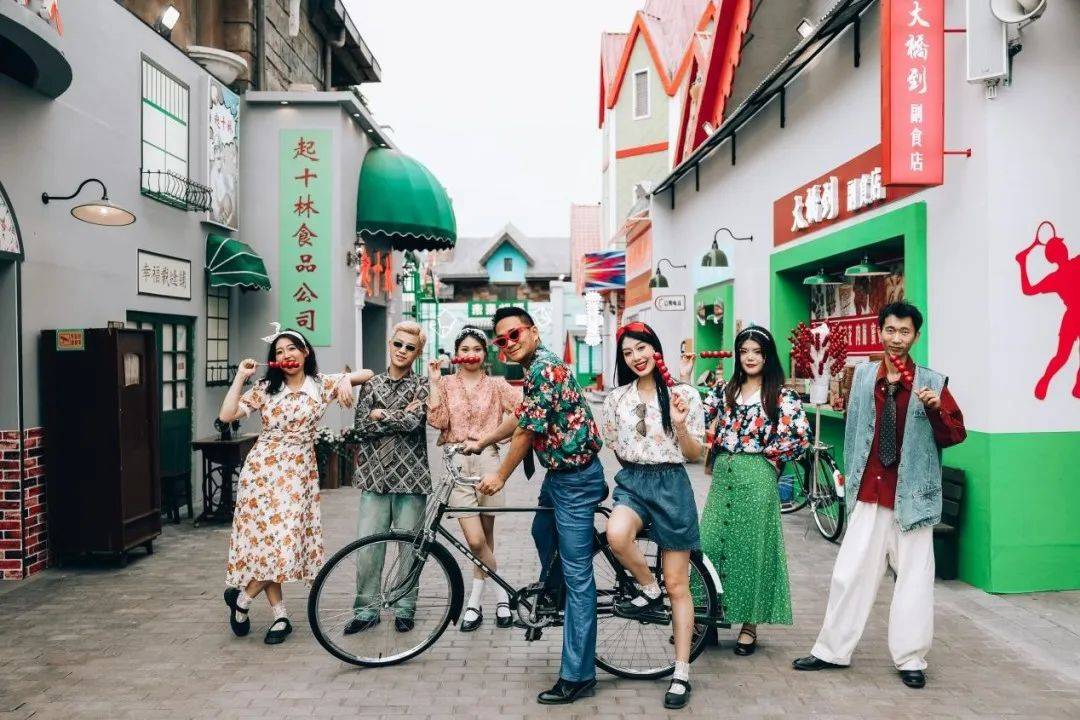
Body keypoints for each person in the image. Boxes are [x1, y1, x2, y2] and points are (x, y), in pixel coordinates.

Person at [793, 301, 966, 689]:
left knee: (914, 581)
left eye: (905, 332)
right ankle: (831, 650)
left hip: (911, 498)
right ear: (880, 331)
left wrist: (936, 410)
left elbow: (955, 435)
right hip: (869, 493)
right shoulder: (863, 377)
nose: (897, 338)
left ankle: (911, 659)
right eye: (891, 330)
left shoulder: (932, 383)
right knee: (848, 574)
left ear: (915, 336)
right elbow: (855, 427)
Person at [464, 306, 605, 705]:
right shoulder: (535, 369)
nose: (509, 343)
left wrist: (499, 475)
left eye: (515, 334)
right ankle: (558, 591)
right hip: (558, 477)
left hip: (575, 481)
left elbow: (526, 432)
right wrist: (484, 440)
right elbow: (522, 417)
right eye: (502, 339)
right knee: (541, 530)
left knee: (578, 578)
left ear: (533, 331)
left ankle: (578, 675)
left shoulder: (544, 368)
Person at [220, 326, 371, 645]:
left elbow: (368, 373)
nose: (286, 355)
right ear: (274, 360)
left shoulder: (321, 384)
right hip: (263, 472)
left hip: (299, 473)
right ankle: (280, 616)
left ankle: (242, 600)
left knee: (284, 543)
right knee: (269, 544)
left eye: (292, 348)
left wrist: (345, 380)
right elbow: (227, 414)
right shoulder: (265, 388)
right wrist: (240, 378)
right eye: (279, 352)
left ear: (305, 352)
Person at [601, 322, 705, 710]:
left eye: (642, 348)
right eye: (628, 353)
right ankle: (648, 587)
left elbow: (694, 453)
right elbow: (615, 445)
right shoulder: (616, 399)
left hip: (673, 485)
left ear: (655, 349)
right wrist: (637, 468)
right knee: (616, 534)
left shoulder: (684, 395)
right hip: (634, 482)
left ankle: (681, 672)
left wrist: (679, 425)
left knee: (678, 585)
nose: (636, 357)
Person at [701, 325, 810, 655]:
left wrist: (769, 455)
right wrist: (684, 377)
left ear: (767, 356)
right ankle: (706, 620)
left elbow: (800, 437)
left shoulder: (781, 396)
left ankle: (750, 624)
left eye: (757, 352)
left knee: (751, 548)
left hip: (757, 477)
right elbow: (696, 415)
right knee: (710, 544)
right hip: (724, 475)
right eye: (744, 351)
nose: (750, 357)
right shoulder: (725, 389)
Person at [427, 326, 522, 631]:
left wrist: (499, 437)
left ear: (485, 353)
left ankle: (475, 602)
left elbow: (524, 410)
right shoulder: (445, 384)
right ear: (457, 353)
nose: (471, 355)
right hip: (456, 461)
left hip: (488, 461)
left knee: (487, 535)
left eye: (477, 349)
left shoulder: (496, 385)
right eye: (465, 349)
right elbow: (438, 421)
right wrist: (433, 382)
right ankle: (503, 594)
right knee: (475, 540)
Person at [346, 321, 431, 634]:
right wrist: (396, 416)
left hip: (411, 479)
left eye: (410, 347)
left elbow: (413, 423)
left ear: (417, 353)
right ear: (390, 344)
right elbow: (361, 427)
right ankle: (365, 611)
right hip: (374, 478)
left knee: (409, 549)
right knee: (368, 549)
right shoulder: (372, 384)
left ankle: (405, 608)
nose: (402, 351)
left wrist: (380, 413)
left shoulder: (423, 385)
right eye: (398, 344)